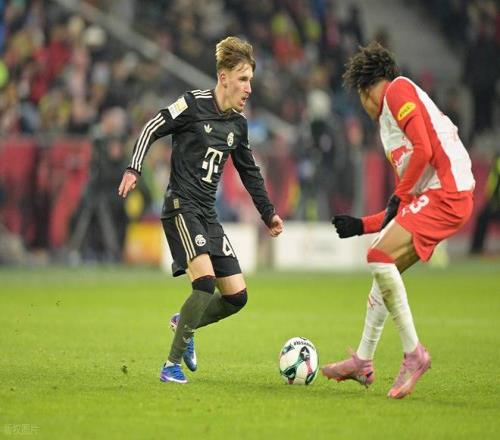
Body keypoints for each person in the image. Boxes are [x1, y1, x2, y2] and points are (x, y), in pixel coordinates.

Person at [118, 36, 284, 384]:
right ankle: (170, 366)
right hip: (181, 207)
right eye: (243, 79)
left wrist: (268, 213)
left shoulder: (237, 124)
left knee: (236, 296)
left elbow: (250, 172)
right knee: (204, 284)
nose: (249, 88)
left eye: (250, 80)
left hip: (208, 214)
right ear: (224, 77)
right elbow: (152, 127)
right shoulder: (192, 104)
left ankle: (185, 322)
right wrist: (134, 168)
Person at [322, 42, 475, 399]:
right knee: (383, 266)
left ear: (365, 89)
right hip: (441, 195)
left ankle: (414, 354)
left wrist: (397, 197)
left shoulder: (397, 90)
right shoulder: (389, 129)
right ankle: (363, 361)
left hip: (448, 190)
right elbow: (401, 206)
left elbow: (424, 150)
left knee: (378, 256)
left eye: (361, 97)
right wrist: (361, 225)